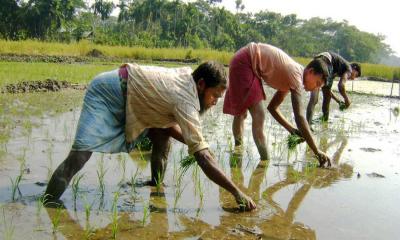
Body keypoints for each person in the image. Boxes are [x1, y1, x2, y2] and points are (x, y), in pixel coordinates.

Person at [44, 61, 256, 210]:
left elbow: (172, 131)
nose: (214, 102)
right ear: (201, 85)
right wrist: (237, 191)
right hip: (107, 92)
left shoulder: (187, 81)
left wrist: (199, 144)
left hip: (133, 95)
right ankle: (48, 202)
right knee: (81, 154)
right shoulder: (185, 99)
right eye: (214, 96)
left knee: (163, 133)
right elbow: (202, 157)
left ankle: (156, 184)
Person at [223, 42, 331, 166]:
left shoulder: (292, 78)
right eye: (317, 83)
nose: (314, 88)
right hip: (245, 62)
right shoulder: (296, 76)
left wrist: (291, 130)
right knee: (257, 115)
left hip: (249, 64)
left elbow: (273, 108)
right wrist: (316, 151)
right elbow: (300, 117)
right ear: (310, 72)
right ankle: (263, 160)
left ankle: (239, 152)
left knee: (242, 114)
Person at [306, 52, 361, 125]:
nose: (353, 78)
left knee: (314, 99)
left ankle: (308, 124)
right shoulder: (349, 69)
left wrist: (338, 101)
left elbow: (327, 90)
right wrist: (346, 99)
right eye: (356, 75)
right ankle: (324, 120)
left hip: (317, 60)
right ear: (354, 68)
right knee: (325, 98)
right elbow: (341, 86)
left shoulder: (336, 69)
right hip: (326, 61)